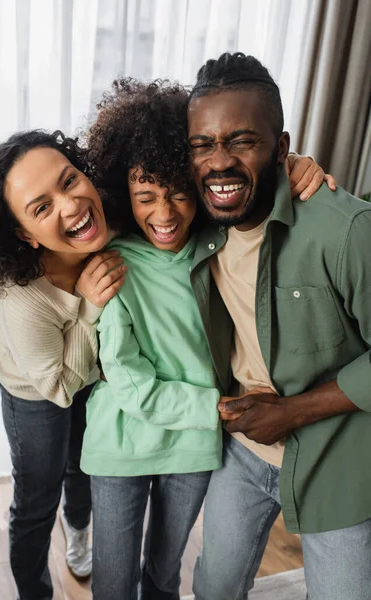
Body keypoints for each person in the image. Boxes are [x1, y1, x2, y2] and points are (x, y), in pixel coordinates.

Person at [79, 78, 334, 600]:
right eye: (145, 197)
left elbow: (253, 193)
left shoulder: (215, 244)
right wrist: (215, 407)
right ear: (124, 196)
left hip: (195, 447)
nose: (165, 213)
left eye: (177, 193)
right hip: (124, 445)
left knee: (164, 572)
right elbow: (126, 377)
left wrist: (295, 165)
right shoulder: (112, 265)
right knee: (112, 581)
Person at [184, 52, 371, 600]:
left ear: (282, 147)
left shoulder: (345, 231)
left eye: (242, 140)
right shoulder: (190, 219)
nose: (218, 162)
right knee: (213, 587)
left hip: (339, 456)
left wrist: (291, 412)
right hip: (241, 452)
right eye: (202, 144)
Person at [0, 130, 126, 600]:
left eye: (70, 181)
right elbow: (57, 386)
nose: (71, 204)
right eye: (41, 207)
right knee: (37, 500)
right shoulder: (19, 295)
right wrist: (90, 305)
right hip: (34, 392)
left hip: (91, 377)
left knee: (83, 463)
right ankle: (35, 592)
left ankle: (78, 529)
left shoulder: (111, 217)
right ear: (23, 234)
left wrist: (297, 165)